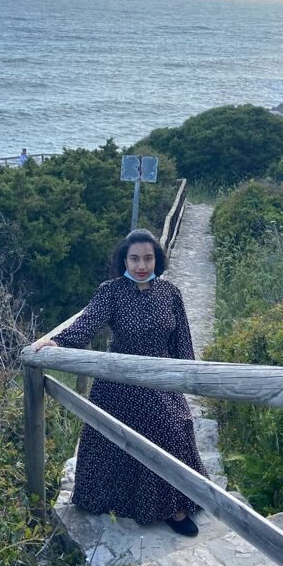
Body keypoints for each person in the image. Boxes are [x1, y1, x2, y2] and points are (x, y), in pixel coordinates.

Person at [32, 228, 208, 537]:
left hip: (161, 378)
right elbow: (87, 323)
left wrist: (188, 378)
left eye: (148, 258)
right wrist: (57, 343)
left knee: (175, 424)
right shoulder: (111, 291)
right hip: (118, 381)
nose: (142, 265)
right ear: (124, 260)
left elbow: (183, 343)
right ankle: (129, 500)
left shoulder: (171, 293)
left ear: (158, 260)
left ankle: (172, 504)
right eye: (135, 258)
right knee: (122, 434)